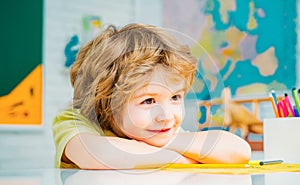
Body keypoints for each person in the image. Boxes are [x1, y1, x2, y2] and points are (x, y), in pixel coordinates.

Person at [52, 23, 251, 169]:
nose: (166, 115)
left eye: (175, 98)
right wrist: (182, 159)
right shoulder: (75, 120)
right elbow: (100, 154)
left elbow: (239, 151)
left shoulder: (162, 132)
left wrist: (170, 143)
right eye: (148, 100)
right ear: (105, 104)